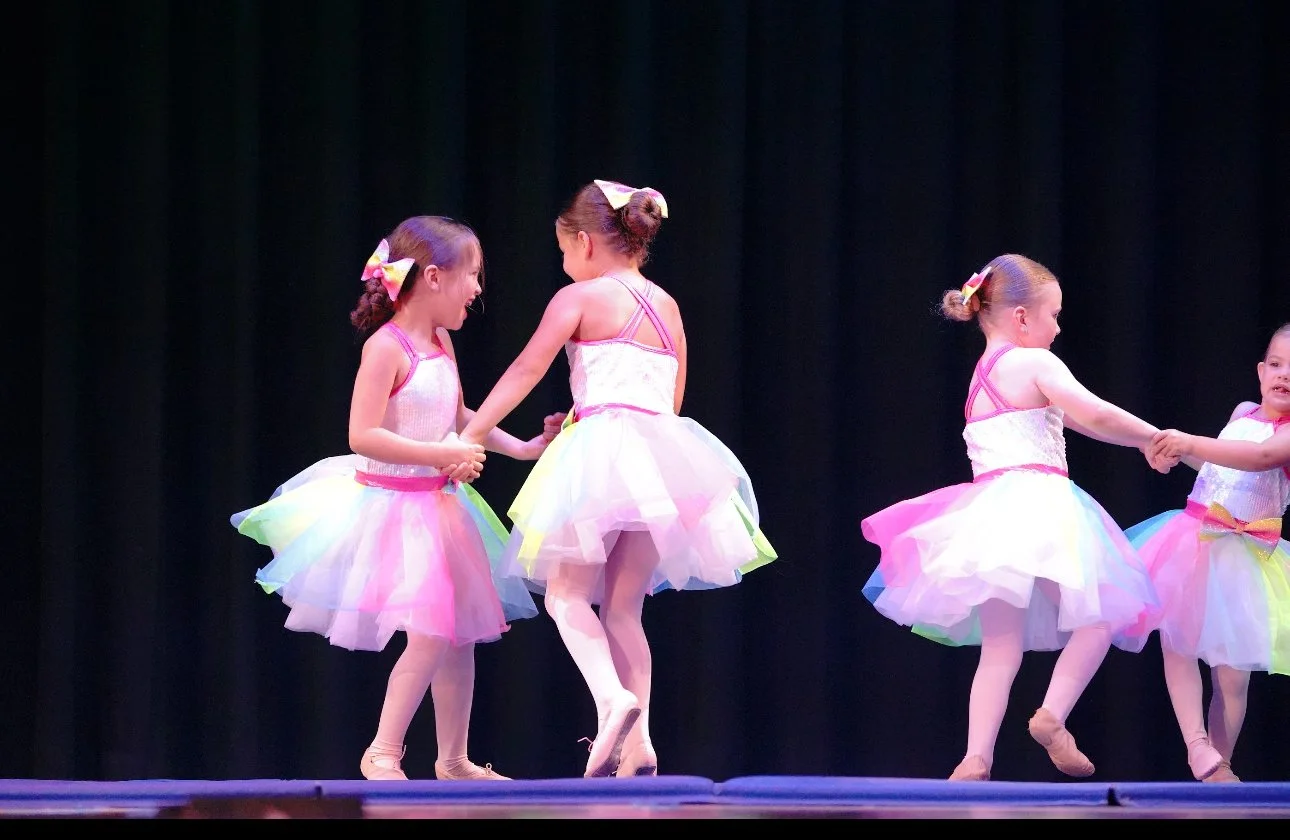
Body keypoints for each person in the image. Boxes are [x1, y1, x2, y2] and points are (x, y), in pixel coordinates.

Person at [457, 179, 777, 779]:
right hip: (663, 458)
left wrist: (470, 435)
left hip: (601, 456)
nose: (562, 262)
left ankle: (612, 701)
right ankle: (641, 745)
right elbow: (671, 398)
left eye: (561, 250)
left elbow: (527, 369)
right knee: (625, 609)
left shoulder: (578, 297)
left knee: (565, 595)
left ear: (582, 242)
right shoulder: (669, 304)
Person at [230, 216, 564, 782]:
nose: (478, 289)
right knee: (432, 631)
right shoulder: (387, 347)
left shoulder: (441, 341)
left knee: (458, 636)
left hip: (441, 506)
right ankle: (383, 751)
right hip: (394, 508)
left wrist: (527, 448)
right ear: (433, 277)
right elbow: (361, 435)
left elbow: (460, 415)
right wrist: (442, 455)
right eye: (473, 275)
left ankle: (453, 759)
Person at [860, 253, 1164, 782]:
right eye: (1054, 314)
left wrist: (1141, 442)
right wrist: (1154, 437)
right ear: (1022, 317)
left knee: (1000, 649)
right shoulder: (1035, 363)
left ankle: (975, 757)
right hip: (1043, 505)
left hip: (991, 516)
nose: (1058, 326)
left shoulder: (981, 379)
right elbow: (1094, 412)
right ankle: (1051, 716)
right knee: (1102, 616)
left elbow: (1081, 422)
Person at [1130, 322, 1290, 783]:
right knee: (1176, 640)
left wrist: (1187, 441)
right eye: (1276, 365)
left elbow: (1259, 460)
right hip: (1195, 539)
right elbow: (1221, 460)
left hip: (1245, 557)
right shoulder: (1244, 411)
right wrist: (1180, 455)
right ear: (1261, 371)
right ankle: (1197, 745)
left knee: (1231, 674)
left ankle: (1220, 760)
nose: (1283, 375)